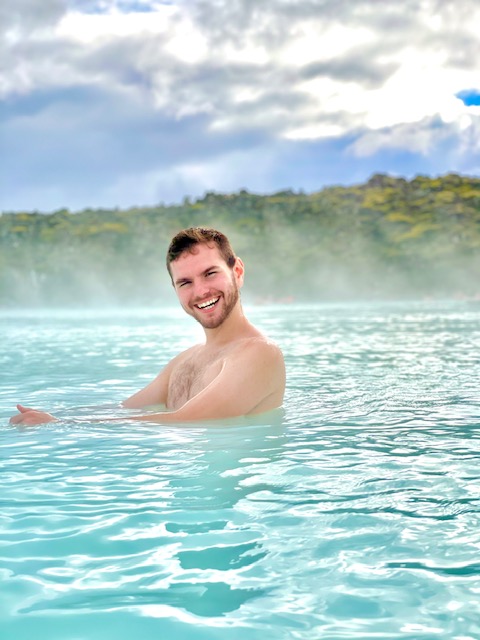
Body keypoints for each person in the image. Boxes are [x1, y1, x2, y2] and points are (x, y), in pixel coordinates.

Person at [10, 227, 286, 426]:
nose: (200, 291)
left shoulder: (259, 354)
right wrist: (52, 415)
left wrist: (61, 425)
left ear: (237, 272)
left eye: (210, 273)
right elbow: (124, 409)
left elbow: (186, 421)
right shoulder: (187, 359)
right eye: (185, 282)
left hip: (232, 496)